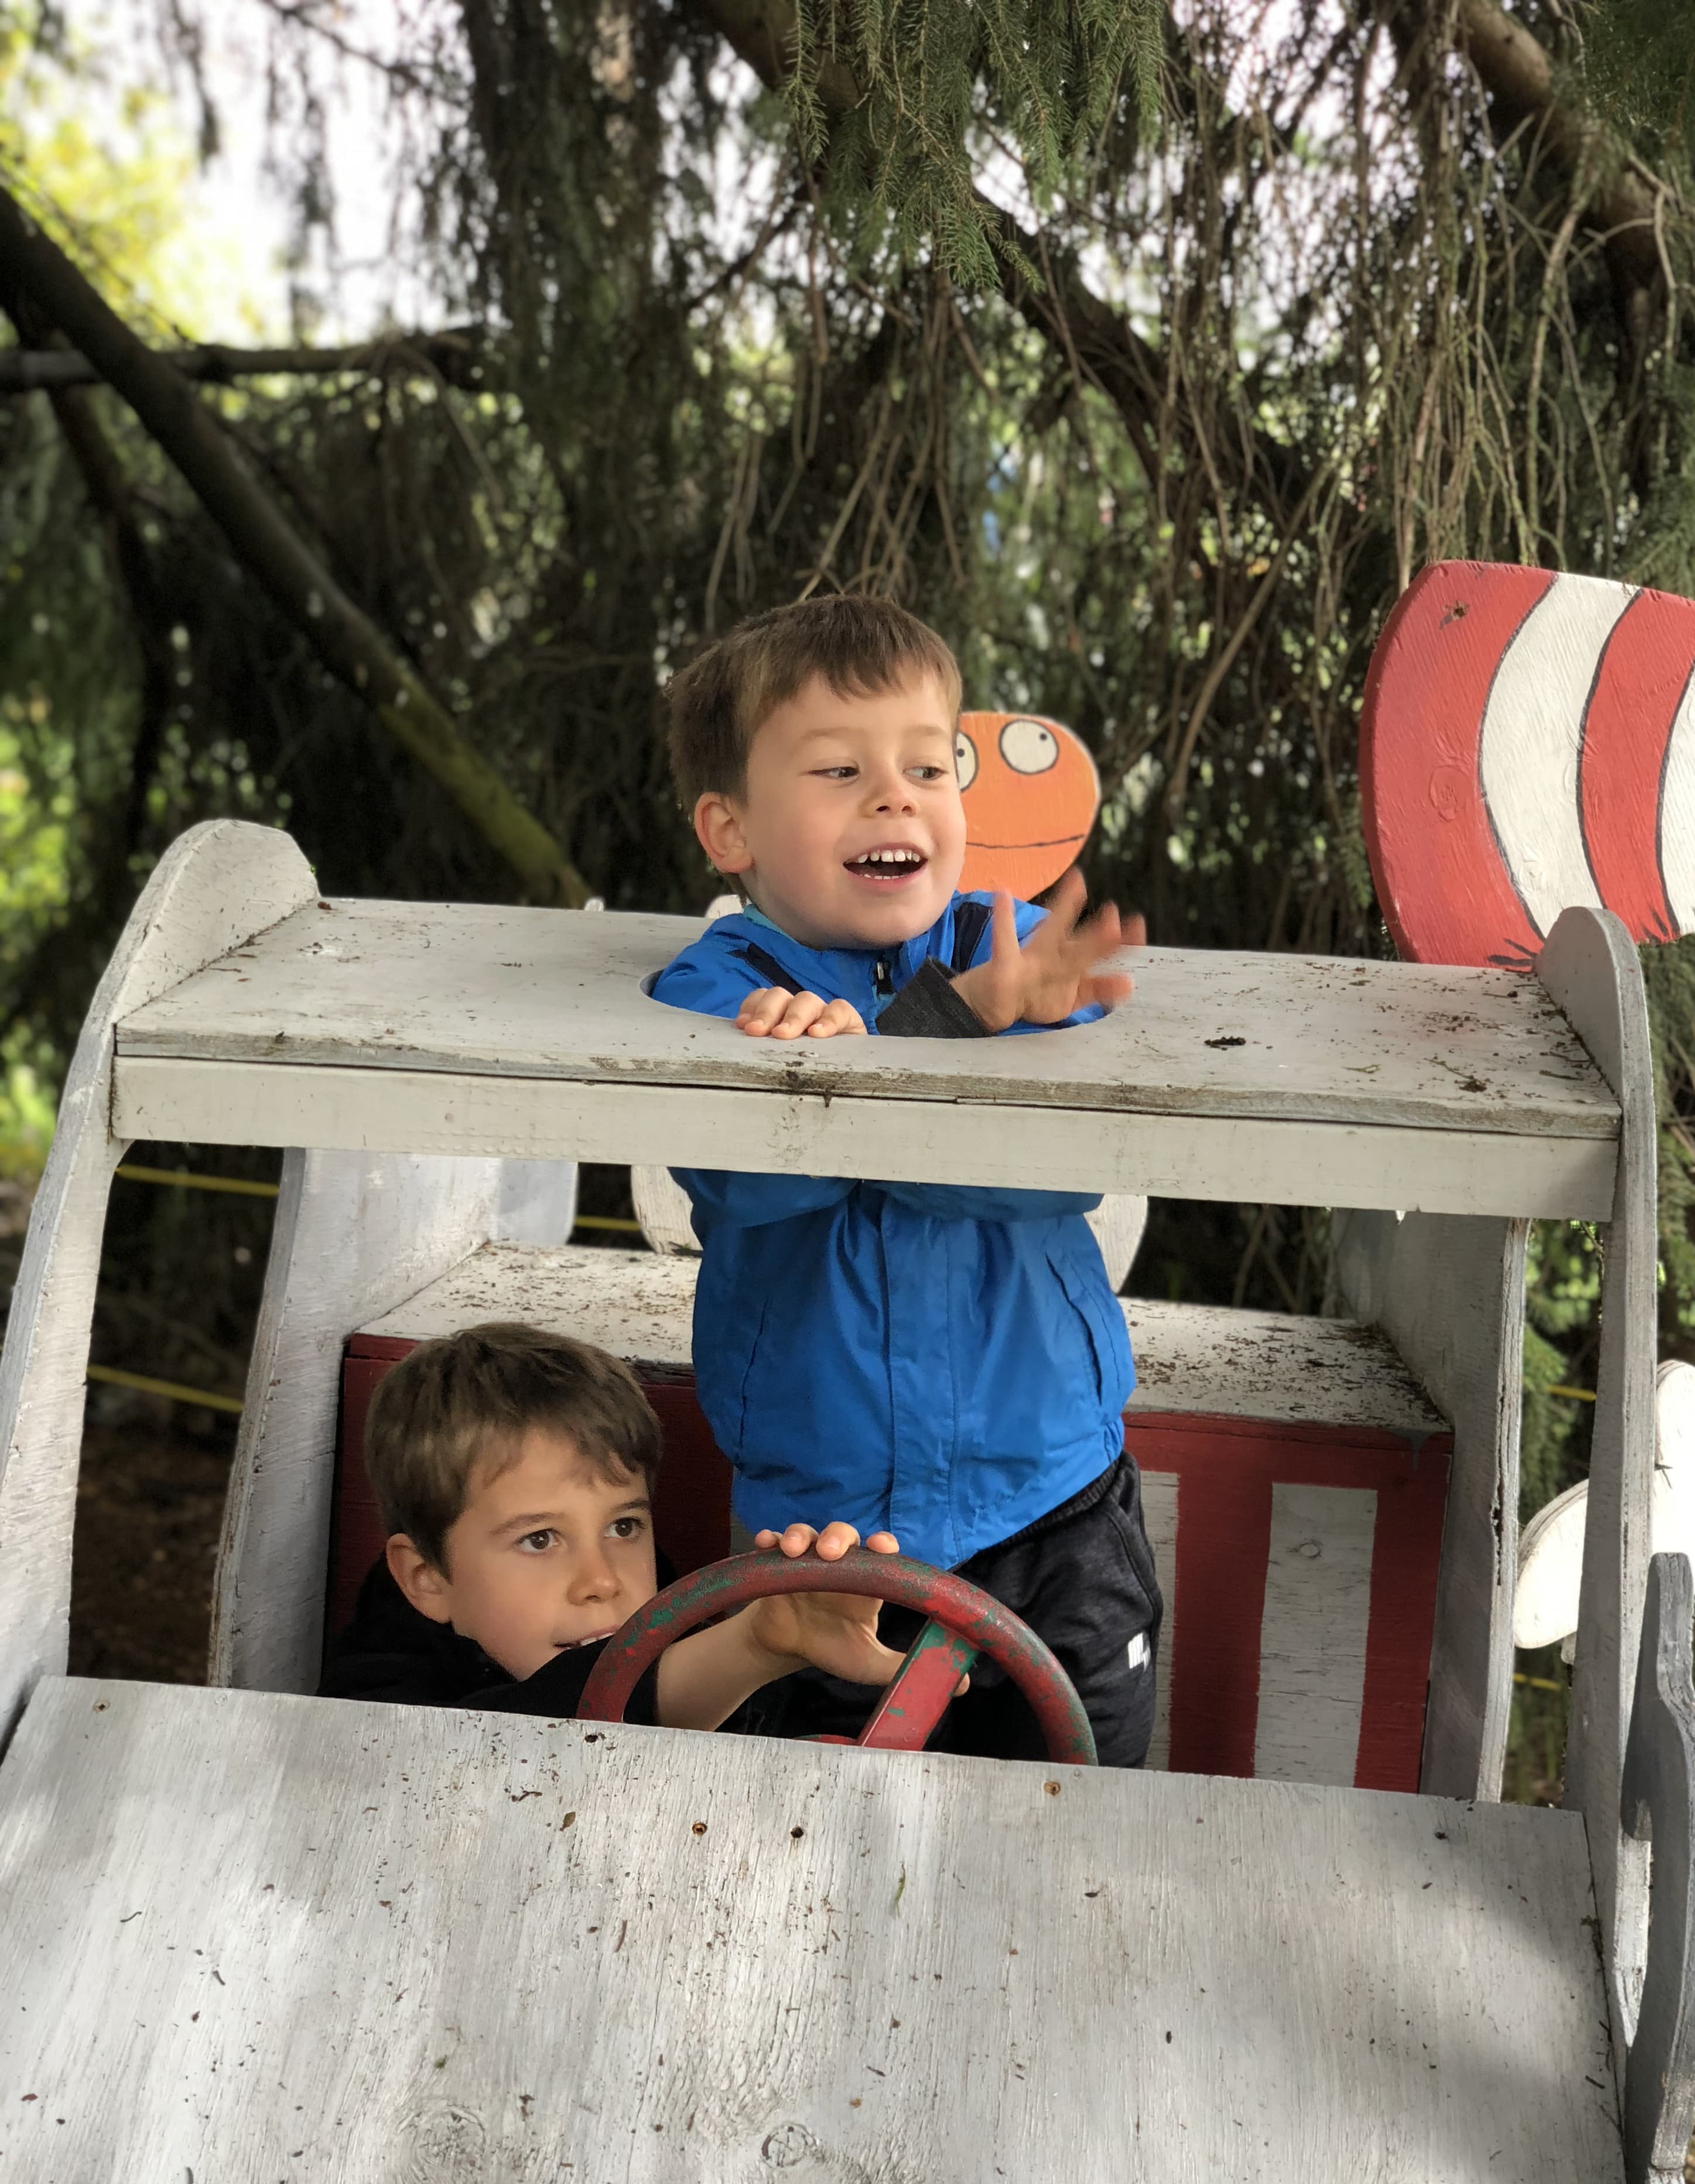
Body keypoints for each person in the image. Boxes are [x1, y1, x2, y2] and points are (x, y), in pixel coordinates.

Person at [650, 593, 1161, 1766]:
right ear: (729, 830)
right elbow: (753, 1186)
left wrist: (872, 1081)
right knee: (808, 1833)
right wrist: (928, 1066)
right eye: (838, 769)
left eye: (929, 767)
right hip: (817, 1528)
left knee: (1073, 1815)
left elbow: (1052, 1179)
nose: (895, 796)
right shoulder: (719, 986)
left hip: (1052, 1498)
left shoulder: (1021, 955)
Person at [322, 1320, 907, 1725]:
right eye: (540, 1539)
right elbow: (513, 1738)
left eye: (623, 1528)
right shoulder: (373, 1711)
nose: (601, 1580)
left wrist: (814, 1662)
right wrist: (748, 1648)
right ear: (429, 1578)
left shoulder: (679, 1617)